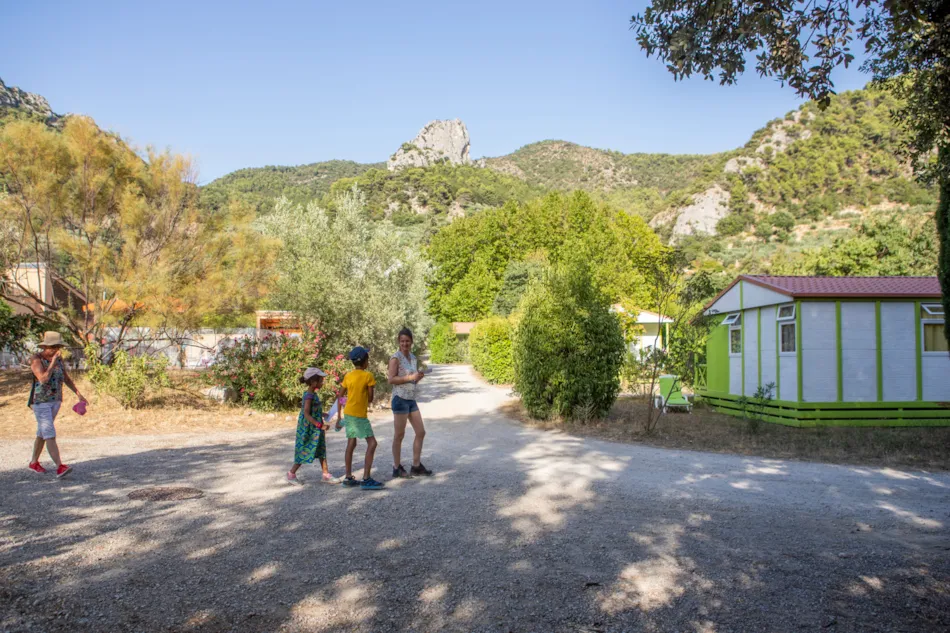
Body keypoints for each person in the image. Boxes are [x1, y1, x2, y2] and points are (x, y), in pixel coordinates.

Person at [28, 332, 86, 478]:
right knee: (49, 433)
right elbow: (42, 379)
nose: (56, 349)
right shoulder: (37, 359)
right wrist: (53, 362)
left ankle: (33, 462)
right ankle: (60, 466)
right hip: (41, 402)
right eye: (53, 347)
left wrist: (78, 394)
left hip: (55, 400)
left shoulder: (59, 360)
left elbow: (66, 378)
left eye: (58, 346)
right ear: (46, 346)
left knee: (42, 433)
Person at [388, 328, 432, 478]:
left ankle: (416, 465)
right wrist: (409, 378)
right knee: (399, 435)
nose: (405, 343)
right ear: (398, 342)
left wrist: (417, 378)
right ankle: (396, 467)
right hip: (399, 399)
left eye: (407, 341)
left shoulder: (413, 357)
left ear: (411, 342)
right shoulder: (395, 358)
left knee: (421, 432)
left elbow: (412, 378)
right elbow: (391, 379)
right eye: (402, 341)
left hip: (411, 399)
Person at [338, 346, 384, 490]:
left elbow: (340, 396)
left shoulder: (348, 376)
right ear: (365, 361)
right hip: (360, 416)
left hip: (349, 413)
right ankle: (366, 478)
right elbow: (370, 398)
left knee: (351, 443)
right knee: (372, 443)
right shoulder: (368, 376)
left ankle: (348, 477)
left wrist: (339, 415)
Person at [287, 367, 341, 485]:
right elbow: (306, 413)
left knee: (321, 449)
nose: (322, 383)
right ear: (313, 382)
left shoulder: (312, 394)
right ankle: (291, 474)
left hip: (315, 427)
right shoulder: (309, 395)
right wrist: (319, 425)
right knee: (304, 450)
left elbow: (312, 410)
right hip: (309, 428)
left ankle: (326, 474)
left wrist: (323, 414)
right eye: (321, 380)